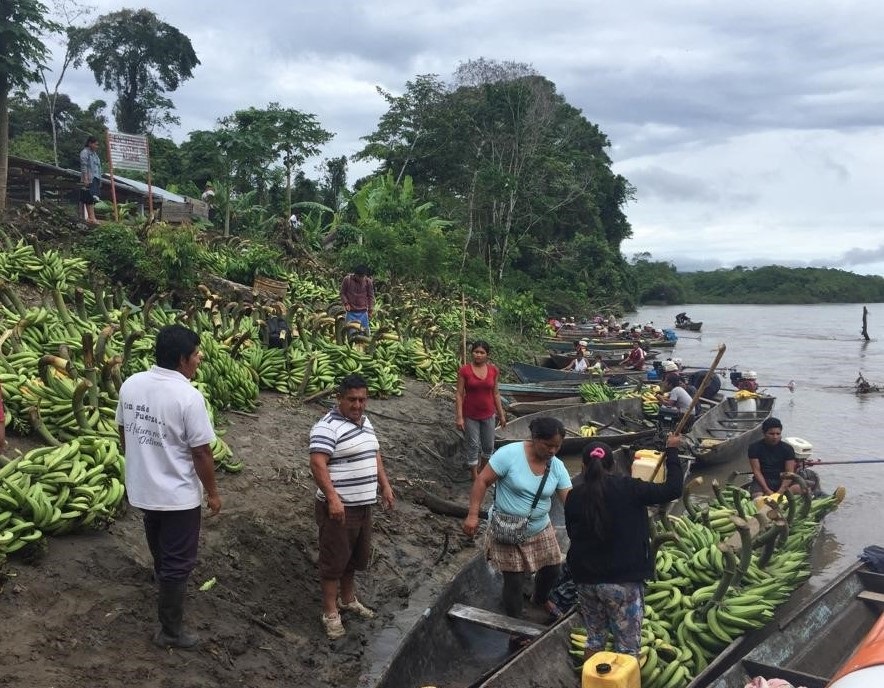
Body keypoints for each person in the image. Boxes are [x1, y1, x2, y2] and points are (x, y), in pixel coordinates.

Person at [116, 324, 221, 649]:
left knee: (158, 538)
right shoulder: (188, 397)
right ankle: (170, 632)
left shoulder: (131, 384)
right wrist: (213, 493)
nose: (200, 358)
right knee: (179, 559)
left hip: (143, 487)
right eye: (196, 354)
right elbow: (201, 452)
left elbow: (123, 431)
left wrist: (141, 461)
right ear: (181, 359)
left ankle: (164, 582)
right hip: (177, 495)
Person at [565, 435, 683, 660]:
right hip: (622, 581)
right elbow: (673, 489)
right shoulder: (630, 488)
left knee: (594, 639)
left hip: (586, 580)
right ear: (613, 465)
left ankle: (589, 677)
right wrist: (672, 451)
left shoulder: (574, 495)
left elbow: (572, 533)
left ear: (583, 466)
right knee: (628, 648)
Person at [463, 417, 572, 626]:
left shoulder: (557, 467)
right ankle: (515, 624)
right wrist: (473, 515)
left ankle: (540, 598)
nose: (552, 451)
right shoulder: (509, 455)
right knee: (514, 580)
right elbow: (482, 481)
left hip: (539, 527)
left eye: (557, 447)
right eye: (548, 445)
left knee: (553, 568)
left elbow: (570, 499)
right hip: (508, 528)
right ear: (535, 438)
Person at [309, 374, 394, 640]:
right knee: (333, 560)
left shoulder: (366, 422)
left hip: (364, 504)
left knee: (353, 557)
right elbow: (317, 464)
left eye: (362, 400)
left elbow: (375, 454)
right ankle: (330, 612)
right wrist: (333, 498)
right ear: (339, 398)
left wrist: (385, 485)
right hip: (339, 508)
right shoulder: (327, 426)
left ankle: (348, 599)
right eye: (352, 400)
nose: (358, 405)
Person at [455, 341, 507, 481]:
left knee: (488, 446)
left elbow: (496, 393)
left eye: (482, 352)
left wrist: (501, 414)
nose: (478, 355)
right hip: (470, 414)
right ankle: (474, 475)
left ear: (487, 355)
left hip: (488, 414)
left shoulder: (493, 371)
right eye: (476, 352)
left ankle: (482, 469)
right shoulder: (465, 370)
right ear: (472, 353)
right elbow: (459, 394)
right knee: (473, 445)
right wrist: (459, 417)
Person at [747, 417, 801, 498]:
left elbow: (789, 472)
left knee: (798, 488)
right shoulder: (754, 448)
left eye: (778, 434)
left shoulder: (788, 449)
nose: (775, 437)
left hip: (782, 479)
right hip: (763, 479)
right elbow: (756, 471)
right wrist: (766, 490)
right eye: (771, 434)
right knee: (757, 496)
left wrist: (780, 492)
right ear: (764, 433)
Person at [340, 265, 374, 336]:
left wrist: (370, 309)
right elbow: (342, 293)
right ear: (355, 275)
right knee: (351, 334)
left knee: (365, 334)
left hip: (363, 312)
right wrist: (346, 303)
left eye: (363, 276)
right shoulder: (347, 280)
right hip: (351, 312)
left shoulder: (368, 282)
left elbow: (370, 296)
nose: (361, 278)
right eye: (359, 276)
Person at [79, 135, 102, 225]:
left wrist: (99, 180)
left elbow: (98, 167)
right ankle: (91, 218)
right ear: (90, 143)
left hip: (96, 178)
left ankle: (91, 217)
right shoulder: (85, 152)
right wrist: (85, 179)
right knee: (89, 197)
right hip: (89, 178)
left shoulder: (95, 154)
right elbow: (84, 166)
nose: (97, 146)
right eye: (95, 144)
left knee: (93, 198)